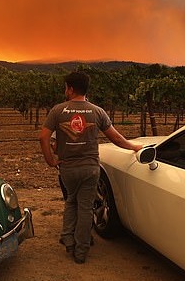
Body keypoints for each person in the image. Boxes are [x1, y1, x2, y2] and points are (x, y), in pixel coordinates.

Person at [39, 71, 142, 264]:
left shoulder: (57, 111)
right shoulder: (97, 111)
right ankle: (81, 250)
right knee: (86, 207)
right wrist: (135, 147)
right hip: (90, 169)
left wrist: (50, 161)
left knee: (71, 201)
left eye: (65, 87)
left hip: (67, 169)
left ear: (70, 88)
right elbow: (117, 138)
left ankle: (68, 239)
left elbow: (43, 137)